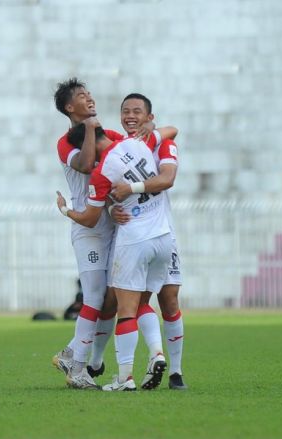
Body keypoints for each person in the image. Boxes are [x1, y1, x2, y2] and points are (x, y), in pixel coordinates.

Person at [56, 123, 173, 391]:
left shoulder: (101, 173)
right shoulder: (137, 143)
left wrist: (65, 210)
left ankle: (124, 378)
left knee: (126, 309)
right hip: (164, 237)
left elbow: (88, 218)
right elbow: (171, 131)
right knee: (145, 303)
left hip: (135, 240)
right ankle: (156, 352)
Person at [51, 78, 126, 389]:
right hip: (88, 227)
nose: (90, 98)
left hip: (114, 226)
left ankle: (74, 353)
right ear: (70, 107)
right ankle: (79, 368)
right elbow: (85, 165)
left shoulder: (109, 134)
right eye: (82, 96)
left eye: (90, 93)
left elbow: (130, 156)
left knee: (112, 299)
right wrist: (94, 130)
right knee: (94, 296)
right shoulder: (66, 142)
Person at [109, 93, 187, 390]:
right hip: (134, 235)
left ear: (149, 117)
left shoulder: (163, 143)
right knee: (138, 301)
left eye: (137, 111)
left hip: (163, 233)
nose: (130, 116)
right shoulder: (120, 146)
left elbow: (167, 178)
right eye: (125, 111)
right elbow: (108, 188)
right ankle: (155, 357)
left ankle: (176, 372)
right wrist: (111, 209)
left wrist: (132, 187)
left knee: (169, 300)